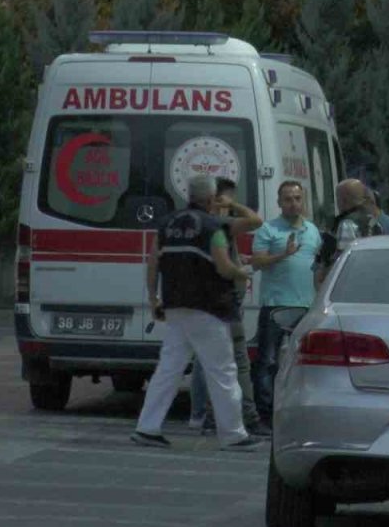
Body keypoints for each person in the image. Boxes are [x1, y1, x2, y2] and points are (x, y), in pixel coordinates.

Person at [132, 175, 264, 451]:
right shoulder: (214, 227)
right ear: (211, 198)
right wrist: (243, 272)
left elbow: (153, 262)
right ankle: (234, 435)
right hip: (208, 308)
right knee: (224, 371)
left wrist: (153, 298)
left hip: (175, 306)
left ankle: (147, 427)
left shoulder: (166, 225)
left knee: (169, 369)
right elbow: (223, 266)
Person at [188, 178, 267, 436]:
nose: (229, 207)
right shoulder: (218, 225)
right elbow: (256, 221)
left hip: (203, 302)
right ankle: (245, 416)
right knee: (236, 363)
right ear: (214, 200)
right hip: (223, 301)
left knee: (211, 362)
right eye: (225, 200)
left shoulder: (190, 223)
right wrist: (233, 205)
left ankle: (210, 417)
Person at [250, 181, 323, 427]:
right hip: (276, 305)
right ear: (279, 202)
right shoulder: (268, 230)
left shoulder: (313, 231)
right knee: (268, 362)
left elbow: (319, 266)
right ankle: (265, 416)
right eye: (288, 199)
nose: (294, 203)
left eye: (297, 198)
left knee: (303, 362)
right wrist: (284, 254)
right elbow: (257, 262)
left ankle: (297, 414)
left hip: (307, 307)